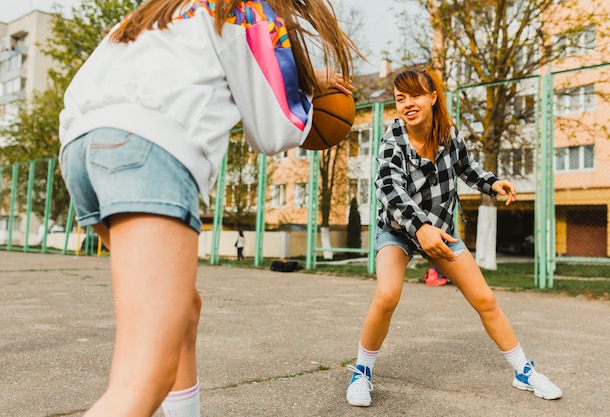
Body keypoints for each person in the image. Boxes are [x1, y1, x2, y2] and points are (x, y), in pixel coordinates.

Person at [58, 1, 357, 416]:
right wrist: (307, 92)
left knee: (185, 312)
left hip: (81, 150)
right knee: (140, 382)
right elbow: (277, 128)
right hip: (146, 153)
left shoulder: (160, 9)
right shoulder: (248, 9)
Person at [345, 68, 562, 407]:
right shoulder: (393, 139)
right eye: (400, 98)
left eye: (415, 95)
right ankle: (362, 372)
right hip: (399, 229)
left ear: (433, 97)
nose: (407, 104)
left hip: (441, 231)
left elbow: (466, 167)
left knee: (485, 299)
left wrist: (491, 183)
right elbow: (389, 189)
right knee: (387, 295)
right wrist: (420, 227)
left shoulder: (448, 134)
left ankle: (524, 372)